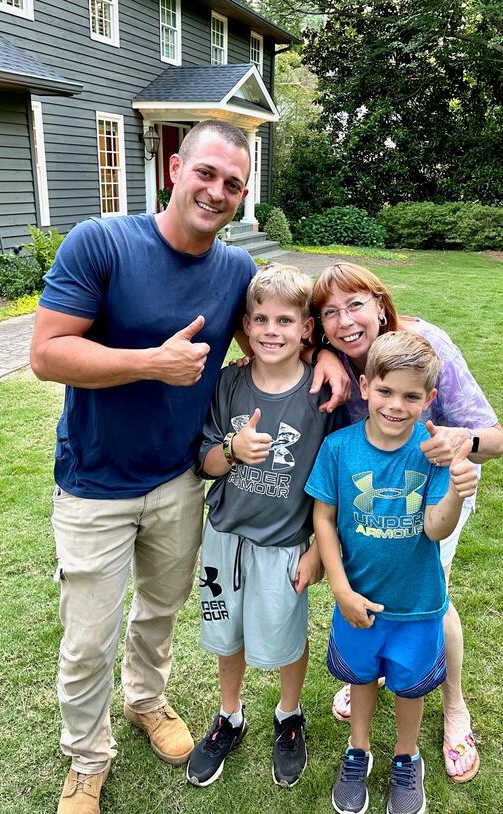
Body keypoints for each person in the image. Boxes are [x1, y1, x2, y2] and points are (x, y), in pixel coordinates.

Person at [29, 120, 348, 814]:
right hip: (94, 483)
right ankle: (87, 762)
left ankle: (147, 702)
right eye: (206, 173)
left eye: (233, 183)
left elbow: (277, 326)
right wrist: (151, 363)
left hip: (180, 480)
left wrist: (328, 352)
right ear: (176, 167)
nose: (217, 191)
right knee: (88, 640)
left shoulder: (235, 271)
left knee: (160, 614)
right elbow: (47, 352)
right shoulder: (103, 242)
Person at [312, 262, 503, 782]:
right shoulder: (333, 360)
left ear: (380, 304)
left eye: (355, 304)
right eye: (329, 313)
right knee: (376, 580)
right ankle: (374, 668)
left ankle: (453, 707)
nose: (345, 320)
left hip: (437, 485)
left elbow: (495, 437)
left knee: (429, 593)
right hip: (367, 496)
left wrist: (459, 441)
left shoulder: (424, 344)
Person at [306, 330, 479, 814]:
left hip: (417, 605)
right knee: (360, 678)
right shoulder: (339, 449)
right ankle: (356, 750)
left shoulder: (432, 455)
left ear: (430, 401)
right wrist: (340, 588)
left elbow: (434, 530)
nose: (396, 405)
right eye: (385, 391)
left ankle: (408, 758)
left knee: (409, 687)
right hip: (357, 600)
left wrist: (455, 493)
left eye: (411, 396)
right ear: (365, 387)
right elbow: (323, 517)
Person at [186, 264, 343, 790]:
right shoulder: (229, 382)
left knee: (285, 633)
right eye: (260, 319)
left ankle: (289, 715)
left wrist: (320, 550)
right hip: (224, 538)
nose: (271, 330)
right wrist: (233, 451)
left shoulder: (323, 395)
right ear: (246, 327)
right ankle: (230, 715)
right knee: (224, 630)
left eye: (284, 320)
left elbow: (336, 482)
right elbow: (205, 459)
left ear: (306, 329)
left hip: (286, 544)